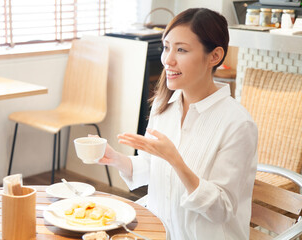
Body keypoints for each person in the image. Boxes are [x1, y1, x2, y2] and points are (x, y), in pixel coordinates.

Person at [97, 8, 258, 240]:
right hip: (159, 233)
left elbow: (221, 209)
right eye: (166, 47)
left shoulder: (238, 124)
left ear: (214, 56)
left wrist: (176, 161)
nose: (168, 59)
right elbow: (152, 168)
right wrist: (117, 160)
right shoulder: (165, 105)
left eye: (181, 49)